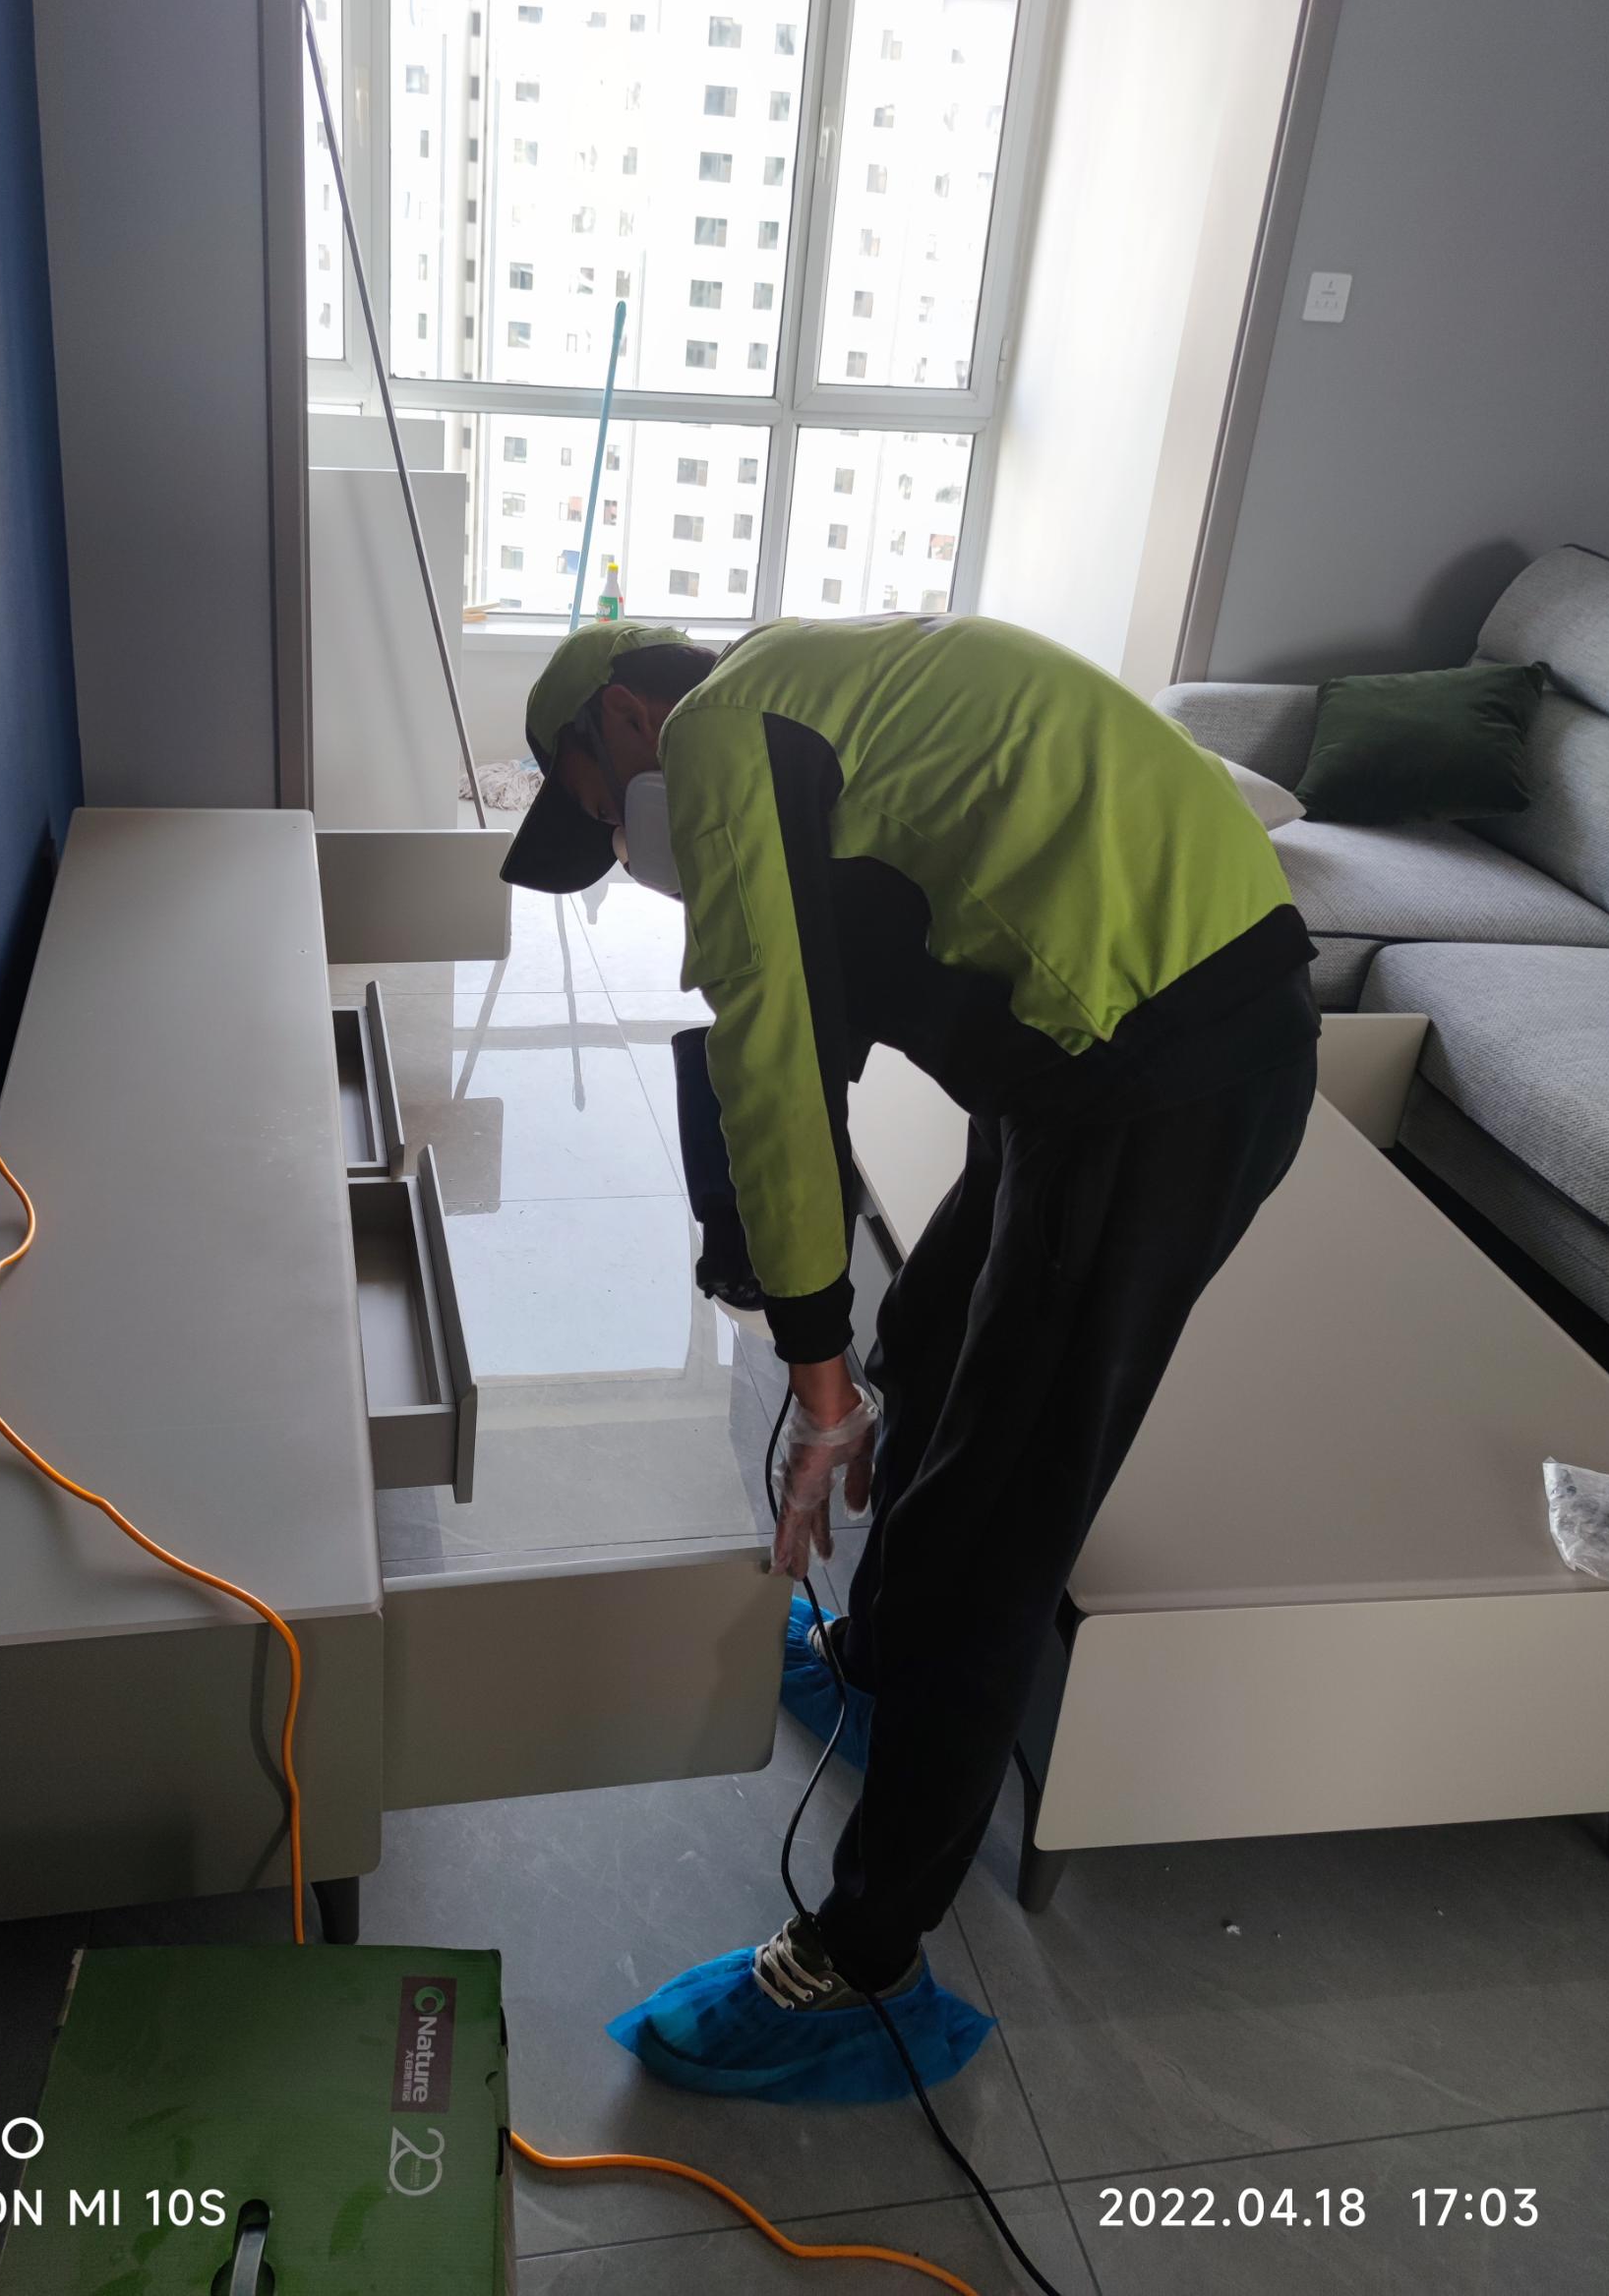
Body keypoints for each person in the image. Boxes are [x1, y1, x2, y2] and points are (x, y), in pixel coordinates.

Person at [502, 615, 1318, 2098]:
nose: (622, 855)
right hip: (1084, 1048)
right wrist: (840, 1354)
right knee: (927, 1339)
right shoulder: (798, 691)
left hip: (1169, 1075)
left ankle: (864, 1961)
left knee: (988, 1519)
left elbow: (775, 1065)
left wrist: (814, 1384)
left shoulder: (723, 735)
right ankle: (876, 1667)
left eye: (595, 815)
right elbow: (835, 998)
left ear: (624, 722)